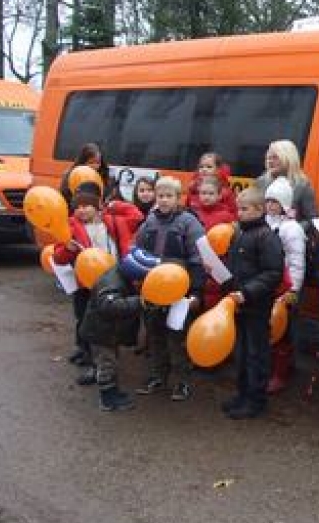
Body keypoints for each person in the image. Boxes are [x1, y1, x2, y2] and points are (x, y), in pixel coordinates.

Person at [52, 181, 140, 383]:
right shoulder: (70, 226)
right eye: (78, 206)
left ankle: (107, 364)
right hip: (85, 285)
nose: (81, 210)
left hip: (113, 280)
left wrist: (113, 204)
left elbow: (136, 215)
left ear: (97, 206)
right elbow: (58, 257)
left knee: (111, 324)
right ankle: (93, 363)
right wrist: (68, 250)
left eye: (87, 206)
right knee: (89, 324)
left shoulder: (114, 221)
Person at [133, 176, 206, 402]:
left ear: (178, 198)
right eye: (160, 196)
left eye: (169, 196)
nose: (164, 200)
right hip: (153, 289)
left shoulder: (189, 223)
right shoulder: (149, 222)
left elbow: (198, 259)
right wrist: (137, 280)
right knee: (155, 334)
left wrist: (195, 292)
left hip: (180, 291)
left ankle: (182, 381)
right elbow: (138, 253)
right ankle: (158, 376)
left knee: (177, 336)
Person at [219, 187, 285, 419]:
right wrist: (222, 276)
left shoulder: (267, 237)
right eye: (238, 209)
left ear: (259, 209)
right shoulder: (238, 232)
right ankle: (242, 394)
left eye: (244, 209)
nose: (239, 213)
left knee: (256, 353)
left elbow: (273, 273)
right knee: (241, 351)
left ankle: (256, 399)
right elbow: (233, 264)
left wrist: (247, 292)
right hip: (238, 303)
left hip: (256, 305)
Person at [78, 248, 159, 412]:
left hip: (107, 330)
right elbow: (109, 306)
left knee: (107, 360)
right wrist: (140, 302)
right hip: (100, 331)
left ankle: (105, 383)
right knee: (107, 363)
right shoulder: (111, 283)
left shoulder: (121, 277)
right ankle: (108, 398)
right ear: (135, 276)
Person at [264, 177, 306, 394]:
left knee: (283, 332)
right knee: (267, 328)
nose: (270, 205)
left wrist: (294, 289)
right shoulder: (263, 223)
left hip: (283, 286)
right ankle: (267, 368)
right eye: (268, 201)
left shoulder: (291, 228)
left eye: (275, 202)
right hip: (266, 284)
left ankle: (281, 373)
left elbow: (297, 261)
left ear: (285, 204)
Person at [189, 174, 239, 311]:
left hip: (218, 267)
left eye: (211, 193)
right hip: (195, 264)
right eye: (203, 193)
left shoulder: (227, 217)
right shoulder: (191, 215)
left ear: (219, 195)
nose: (206, 197)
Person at [256, 139, 316, 224]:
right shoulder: (261, 182)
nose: (270, 161)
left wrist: (293, 228)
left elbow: (311, 220)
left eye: (275, 158)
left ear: (288, 158)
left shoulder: (302, 185)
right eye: (268, 158)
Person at [186, 152, 238, 220]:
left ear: (218, 170)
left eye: (209, 167)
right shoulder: (193, 188)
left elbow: (234, 214)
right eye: (201, 167)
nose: (204, 169)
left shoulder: (226, 192)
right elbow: (187, 208)